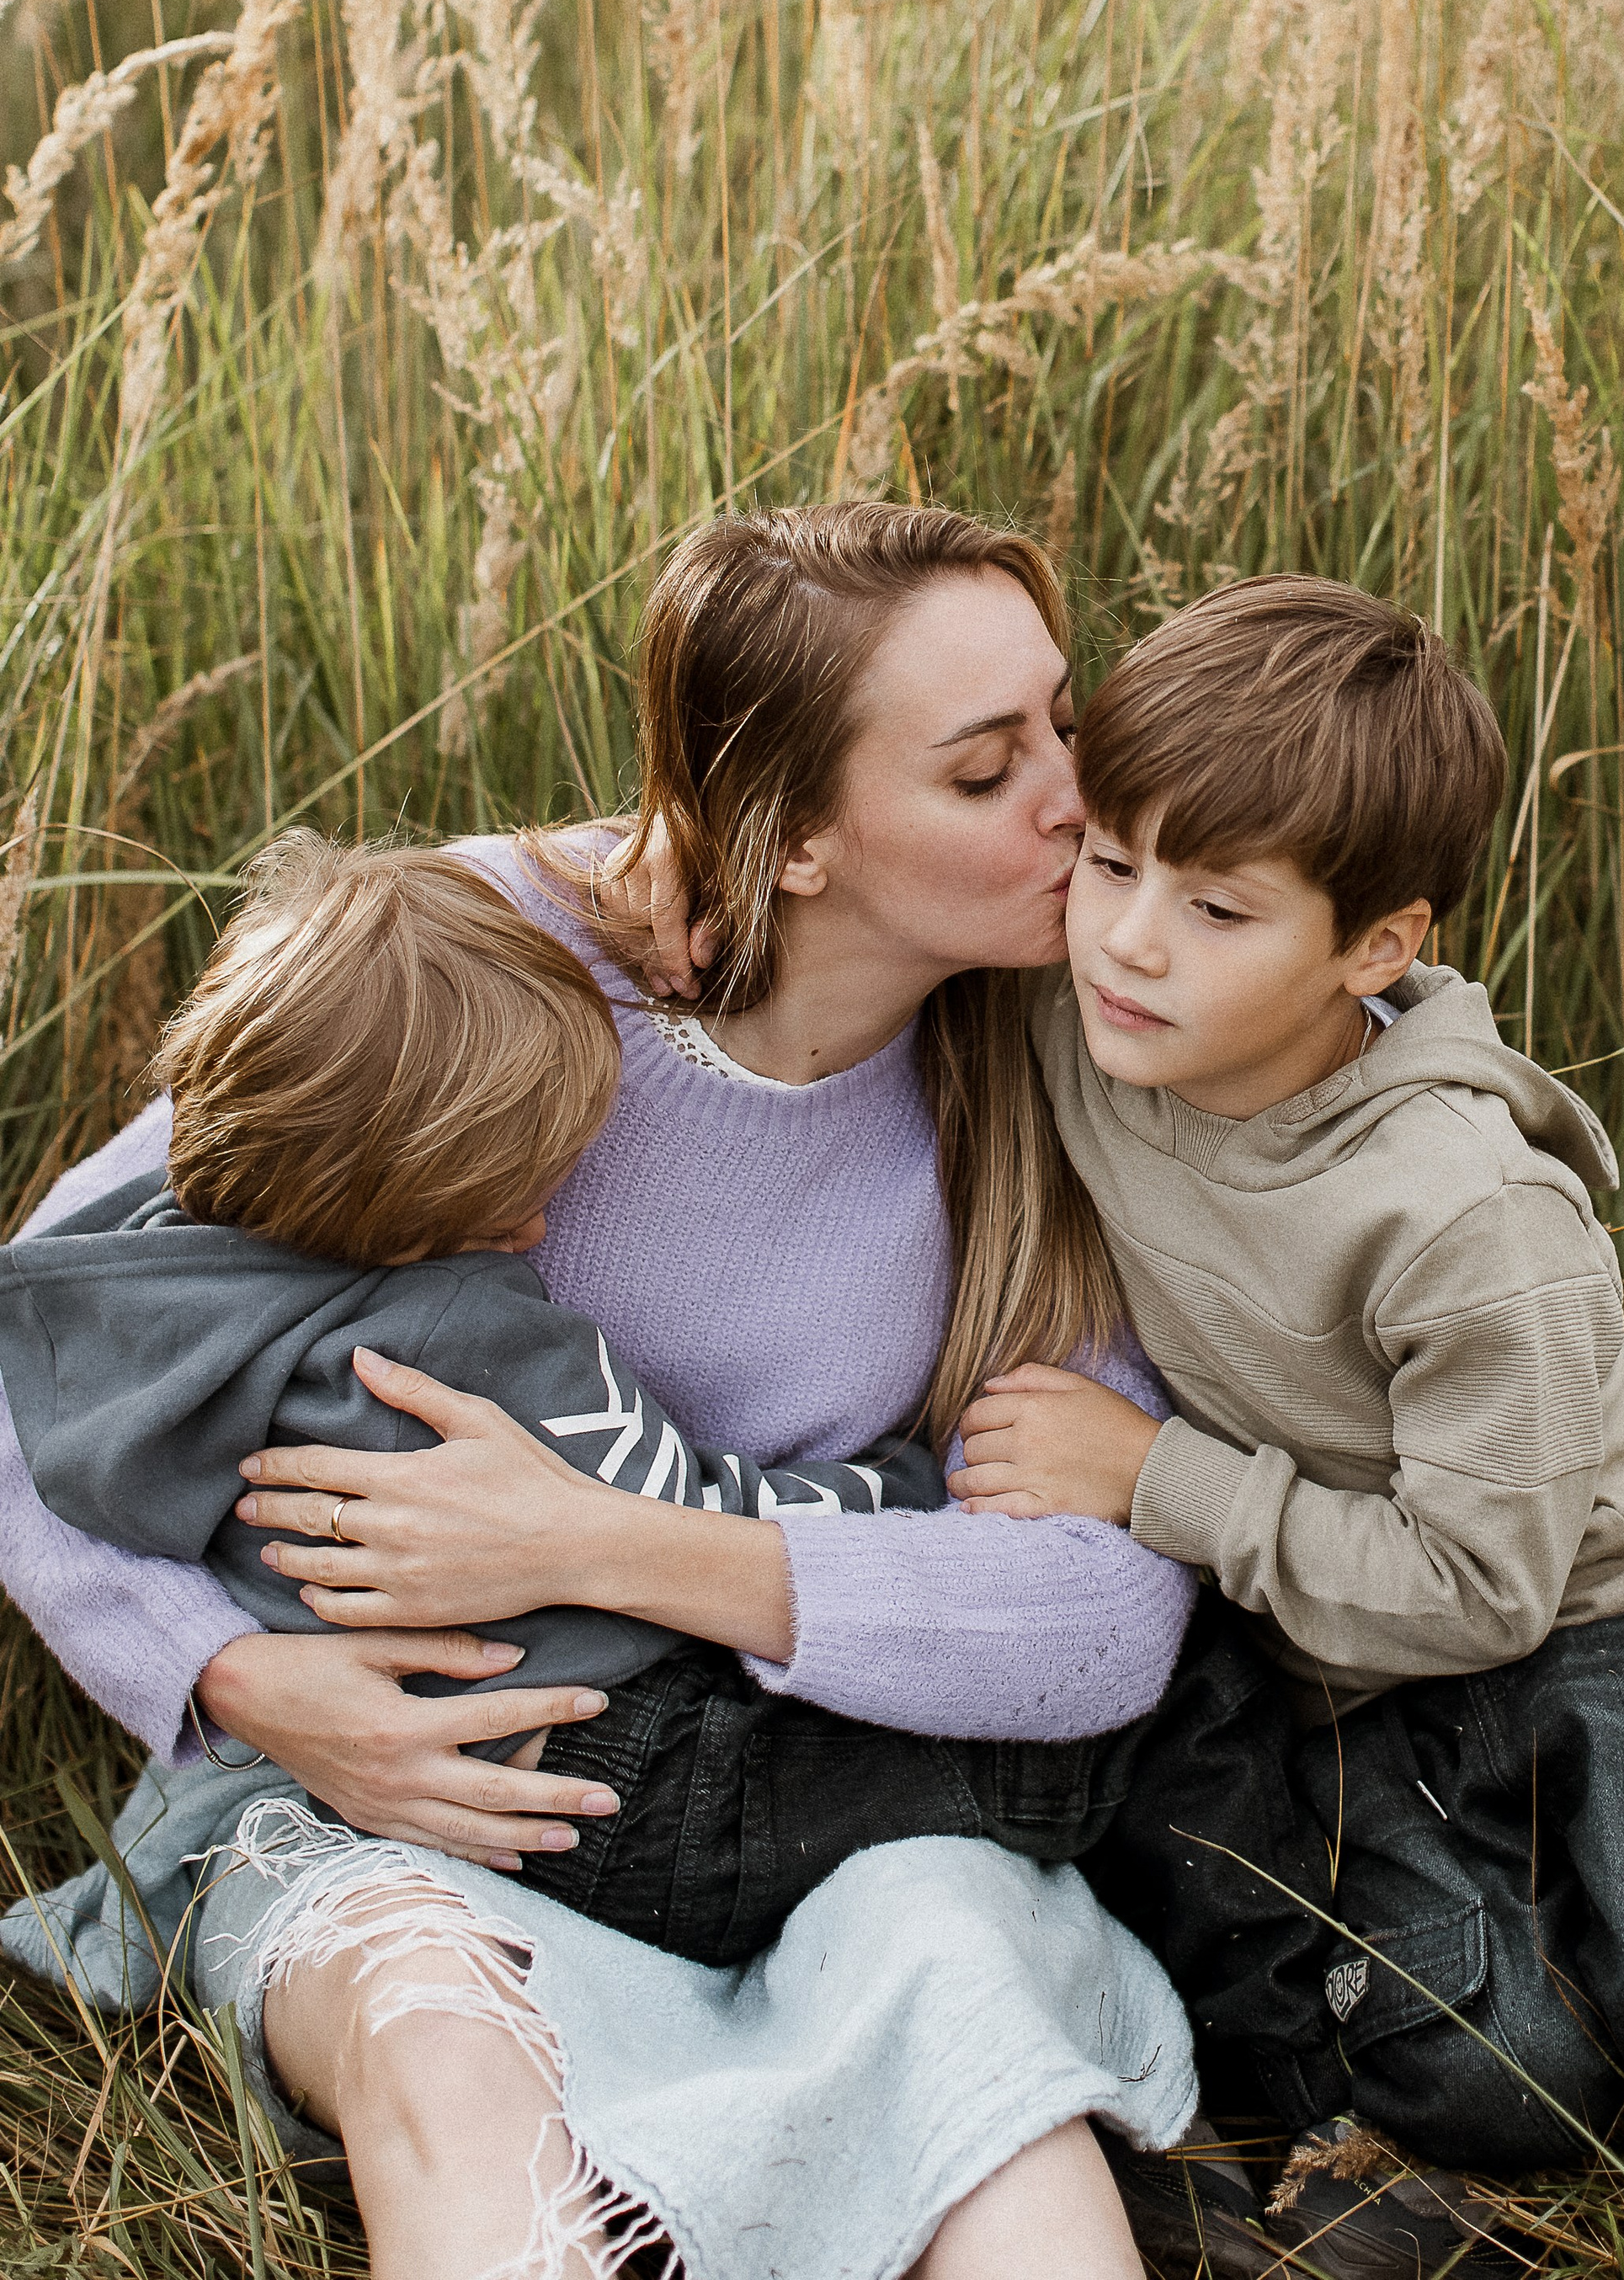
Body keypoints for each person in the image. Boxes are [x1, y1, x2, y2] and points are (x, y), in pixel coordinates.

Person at [0, 503, 1200, 2280]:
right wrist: (236, 1680)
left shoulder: (1073, 1082)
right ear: (792, 839)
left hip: (821, 1785)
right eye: (981, 770)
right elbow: (48, 1357)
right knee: (448, 2051)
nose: (1078, 802)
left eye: (1066, 723)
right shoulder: (474, 961)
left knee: (974, 2061)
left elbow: (1102, 1626)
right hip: (392, 1786)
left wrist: (605, 1544)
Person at [950, 574, 1624, 2280]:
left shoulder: (1462, 1217)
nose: (1126, 938)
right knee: (1487, 2080)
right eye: (1112, 864)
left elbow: (1487, 1591)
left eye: (1218, 909)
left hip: (1595, 1606)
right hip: (1350, 1664)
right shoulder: (1085, 1022)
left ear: (1374, 945)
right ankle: (1542, 1928)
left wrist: (1157, 1483)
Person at [0, 835, 1142, 1971]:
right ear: (403, 1216)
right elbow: (676, 1492)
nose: (542, 1231)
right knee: (1068, 1772)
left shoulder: (143, 1292)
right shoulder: (457, 1331)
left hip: (491, 1769)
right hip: (615, 1784)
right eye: (518, 1195)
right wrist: (905, 1485)